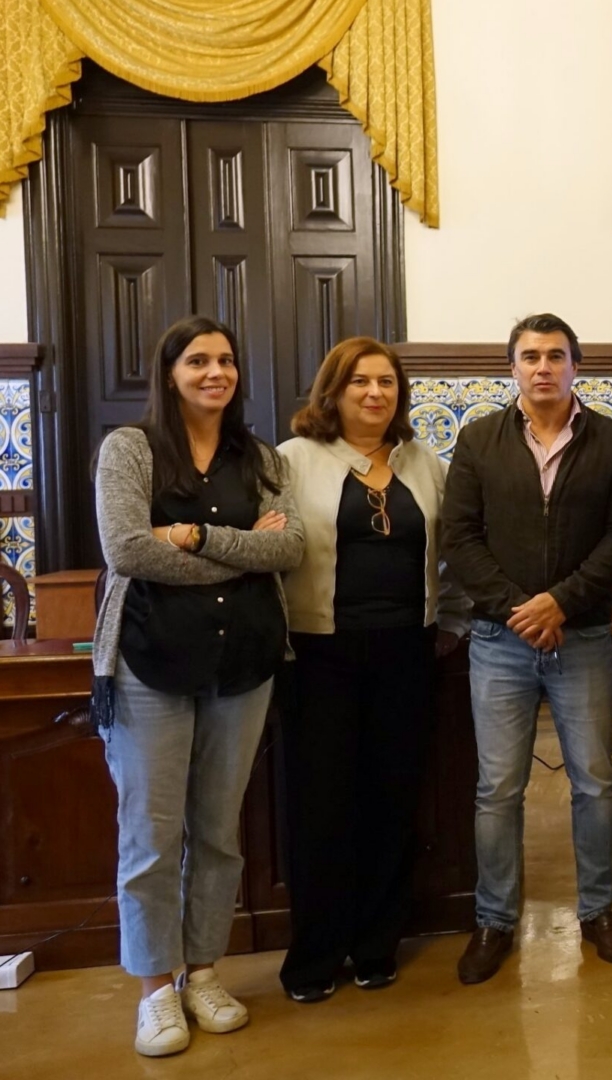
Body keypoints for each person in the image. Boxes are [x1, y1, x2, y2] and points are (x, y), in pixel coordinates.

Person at [91, 315, 304, 1057]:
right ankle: (155, 990)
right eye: (198, 361)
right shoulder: (131, 449)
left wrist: (192, 537)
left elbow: (291, 545)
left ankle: (203, 973)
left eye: (226, 361)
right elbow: (125, 549)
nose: (216, 372)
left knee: (218, 833)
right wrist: (244, 554)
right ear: (170, 370)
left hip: (241, 665)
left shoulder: (261, 456)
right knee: (151, 837)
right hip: (149, 663)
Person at [440, 313, 612, 984]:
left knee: (595, 782)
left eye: (556, 356)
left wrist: (562, 600)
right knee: (498, 788)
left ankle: (599, 910)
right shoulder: (477, 440)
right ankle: (495, 919)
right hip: (499, 641)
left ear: (576, 366)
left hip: (582, 635)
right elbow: (460, 538)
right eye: (530, 356)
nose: (543, 367)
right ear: (512, 368)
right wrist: (517, 609)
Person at [276, 337, 470, 1002]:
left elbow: (454, 548)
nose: (374, 393)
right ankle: (314, 955)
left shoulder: (422, 461)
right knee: (321, 806)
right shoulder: (292, 460)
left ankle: (376, 944)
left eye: (386, 382)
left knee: (393, 801)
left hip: (406, 651)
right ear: (332, 391)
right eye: (359, 381)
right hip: (318, 652)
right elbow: (270, 544)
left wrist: (453, 622)